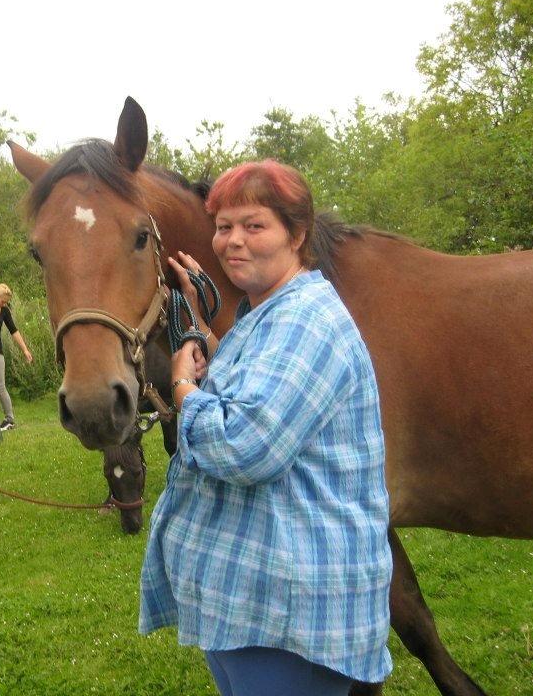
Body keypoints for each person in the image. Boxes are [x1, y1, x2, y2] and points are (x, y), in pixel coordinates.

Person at [138, 160, 393, 695]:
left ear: (297, 235)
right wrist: (206, 340)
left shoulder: (306, 320)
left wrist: (183, 386)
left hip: (291, 615)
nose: (233, 241)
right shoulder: (267, 313)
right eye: (223, 226)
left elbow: (244, 446)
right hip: (253, 603)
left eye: (254, 225)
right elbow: (254, 392)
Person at [0, 283, 33, 431]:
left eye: (6, 302)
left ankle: (9, 420)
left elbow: (14, 331)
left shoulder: (4, 311)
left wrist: (25, 350)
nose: (4, 304)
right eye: (3, 301)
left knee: (0, 386)